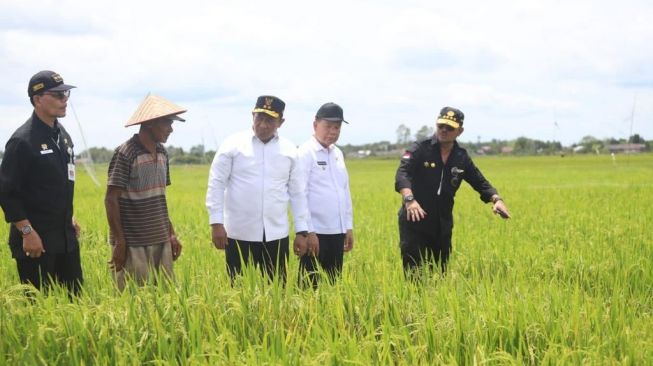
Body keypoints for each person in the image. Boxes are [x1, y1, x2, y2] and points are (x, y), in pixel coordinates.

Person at [394, 106, 511, 277]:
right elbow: (402, 174)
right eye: (441, 125)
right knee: (414, 275)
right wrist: (409, 199)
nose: (444, 130)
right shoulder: (420, 148)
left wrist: (496, 199)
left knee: (439, 275)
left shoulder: (460, 157)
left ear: (460, 131)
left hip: (442, 225)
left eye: (449, 128)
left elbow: (479, 181)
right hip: (414, 221)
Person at [206, 95, 310, 283]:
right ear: (252, 115)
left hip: (276, 235)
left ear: (281, 122)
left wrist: (302, 232)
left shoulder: (289, 150)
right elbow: (216, 184)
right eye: (259, 118)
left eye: (270, 120)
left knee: (277, 287)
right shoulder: (232, 145)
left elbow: (298, 194)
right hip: (238, 234)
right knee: (238, 289)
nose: (263, 125)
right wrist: (216, 223)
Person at [0, 70, 83, 295]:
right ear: (37, 99)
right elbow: (7, 193)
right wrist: (27, 232)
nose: (64, 100)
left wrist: (69, 216)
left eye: (65, 94)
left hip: (66, 239)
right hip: (36, 244)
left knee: (75, 304)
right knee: (39, 309)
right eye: (57, 95)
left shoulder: (62, 135)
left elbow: (59, 182)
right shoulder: (22, 142)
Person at [105, 94, 185, 290]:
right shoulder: (126, 153)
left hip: (161, 240)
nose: (171, 129)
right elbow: (111, 199)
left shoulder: (163, 153)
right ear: (151, 123)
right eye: (167, 123)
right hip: (133, 244)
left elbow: (159, 200)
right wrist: (120, 242)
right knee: (135, 301)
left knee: (164, 301)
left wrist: (171, 234)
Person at [297, 102, 354, 288]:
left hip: (336, 232)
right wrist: (309, 231)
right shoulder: (305, 153)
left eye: (336, 127)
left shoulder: (338, 153)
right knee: (309, 286)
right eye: (328, 126)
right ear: (315, 125)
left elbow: (344, 191)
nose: (333, 131)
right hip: (316, 233)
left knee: (333, 285)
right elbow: (300, 195)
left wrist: (348, 227)